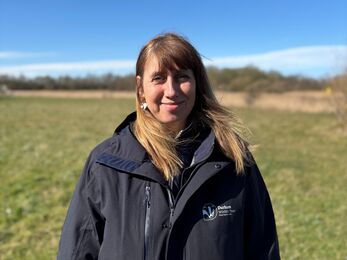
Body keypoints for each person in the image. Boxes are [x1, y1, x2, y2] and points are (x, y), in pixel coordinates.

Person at [57, 33, 280, 260]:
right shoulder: (104, 163)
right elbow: (76, 252)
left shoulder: (233, 160)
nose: (171, 91)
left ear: (196, 84)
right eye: (158, 78)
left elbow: (263, 249)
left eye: (182, 77)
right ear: (140, 87)